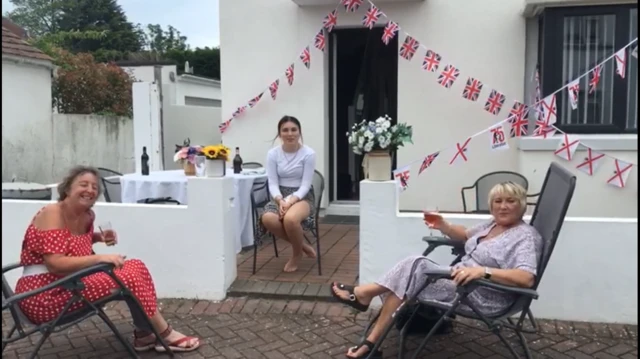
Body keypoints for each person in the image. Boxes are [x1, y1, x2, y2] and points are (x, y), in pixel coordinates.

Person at [330, 182, 542, 359]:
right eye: (498, 201)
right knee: (410, 273)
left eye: (510, 201)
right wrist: (445, 226)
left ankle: (364, 300)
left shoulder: (524, 236)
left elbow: (526, 278)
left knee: (413, 268)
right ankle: (370, 341)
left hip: (482, 294)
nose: (503, 206)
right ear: (491, 206)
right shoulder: (493, 225)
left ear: (522, 205)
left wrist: (483, 271)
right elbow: (466, 234)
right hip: (460, 282)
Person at [14, 166, 200, 353]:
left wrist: (97, 237)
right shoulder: (53, 213)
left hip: (71, 284)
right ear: (68, 188)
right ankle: (165, 334)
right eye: (83, 184)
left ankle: (144, 335)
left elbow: (68, 241)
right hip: (43, 296)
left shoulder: (87, 216)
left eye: (95, 187)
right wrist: (100, 258)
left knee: (136, 266)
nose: (90, 190)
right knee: (127, 278)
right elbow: (54, 264)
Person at [261, 115, 317, 272]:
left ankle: (296, 255)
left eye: (294, 129)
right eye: (285, 130)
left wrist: (290, 201)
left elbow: (306, 184)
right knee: (267, 218)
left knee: (290, 219)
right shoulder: (273, 154)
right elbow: (272, 182)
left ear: (299, 132)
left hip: (301, 196)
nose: (290, 133)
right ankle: (303, 245)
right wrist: (280, 200)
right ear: (280, 134)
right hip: (279, 195)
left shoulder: (308, 153)